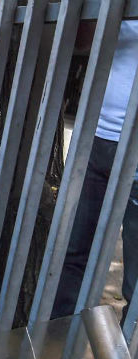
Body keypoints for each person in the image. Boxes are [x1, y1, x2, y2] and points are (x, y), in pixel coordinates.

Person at [53, 21, 138, 320]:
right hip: (96, 136)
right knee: (72, 255)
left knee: (136, 284)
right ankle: (54, 355)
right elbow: (82, 40)